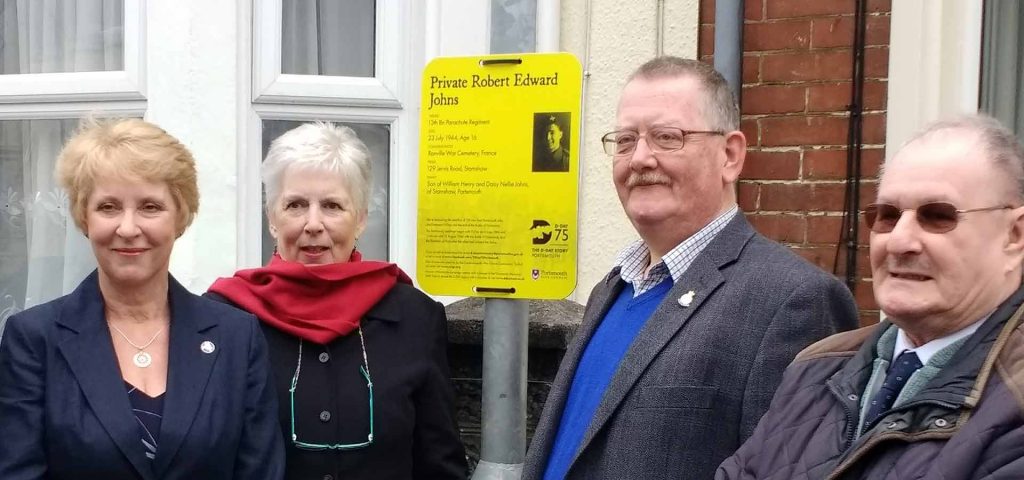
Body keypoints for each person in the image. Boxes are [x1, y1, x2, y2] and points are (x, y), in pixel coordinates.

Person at [521, 56, 859, 480]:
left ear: (730, 156)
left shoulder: (794, 301)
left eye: (667, 137)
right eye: (625, 141)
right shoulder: (612, 289)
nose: (640, 158)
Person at [716, 115, 1024, 479]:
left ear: (1013, 236)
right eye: (887, 216)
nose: (899, 241)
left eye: (937, 216)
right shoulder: (815, 367)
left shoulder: (1012, 403)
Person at [0, 118, 284, 479]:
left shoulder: (236, 337)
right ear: (83, 217)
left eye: (150, 207)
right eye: (108, 207)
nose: (129, 228)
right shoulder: (33, 339)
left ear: (180, 218)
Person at [206, 122, 467, 480]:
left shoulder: (415, 318)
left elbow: (439, 463)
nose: (313, 223)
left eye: (332, 206)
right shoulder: (224, 319)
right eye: (296, 205)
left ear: (360, 219)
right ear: (272, 219)